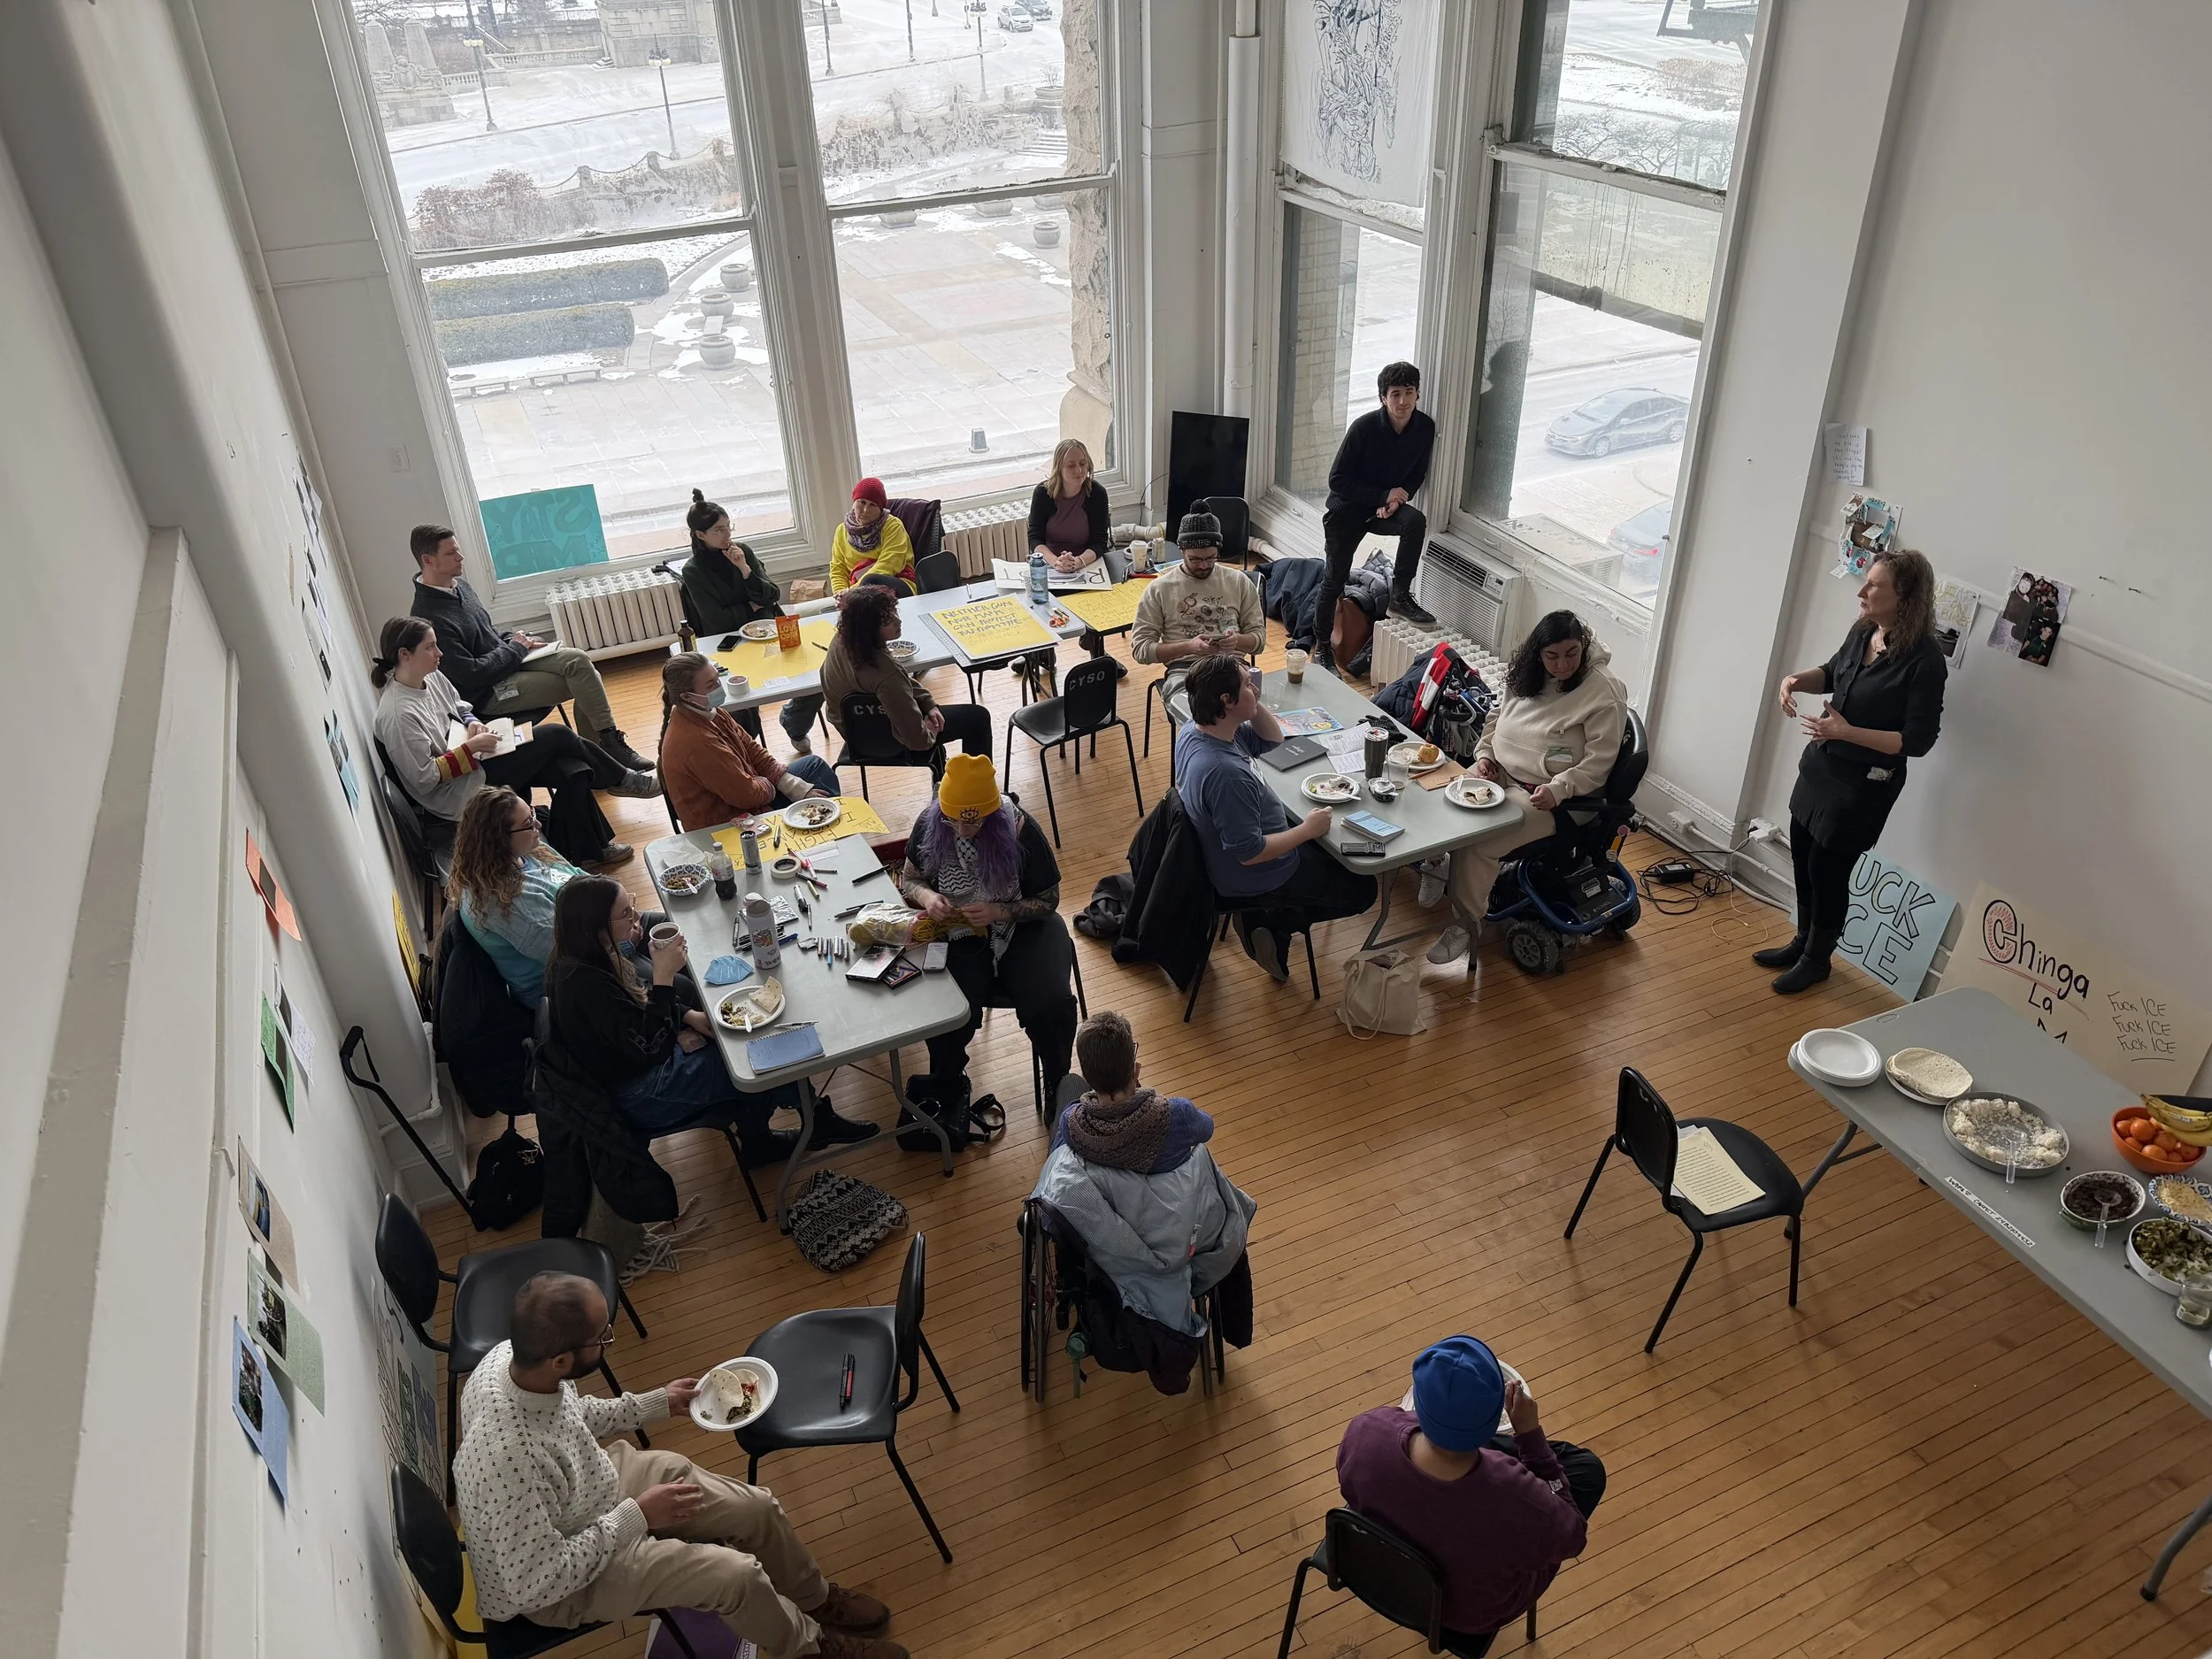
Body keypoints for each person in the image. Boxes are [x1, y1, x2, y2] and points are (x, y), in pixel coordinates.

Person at [451, 1271, 908, 1659]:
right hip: (563, 1581)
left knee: (756, 1508)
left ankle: (816, 1600)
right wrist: (639, 1516)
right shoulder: (510, 1457)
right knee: (736, 1577)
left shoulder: (512, 1360)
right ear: (562, 1359)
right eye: (603, 1336)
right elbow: (539, 1582)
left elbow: (572, 1414)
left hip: (585, 1496)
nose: (610, 1339)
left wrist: (655, 1403)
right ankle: (812, 1648)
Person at [542, 876, 874, 1151]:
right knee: (759, 1052)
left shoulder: (581, 953)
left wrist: (687, 1016)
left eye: (632, 906)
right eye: (626, 913)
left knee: (745, 1032)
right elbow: (652, 1046)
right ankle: (793, 1129)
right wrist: (664, 977)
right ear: (596, 926)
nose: (636, 918)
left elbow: (634, 1013)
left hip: (632, 1065)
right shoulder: (585, 985)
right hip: (638, 1094)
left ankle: (778, 1129)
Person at [1336, 1336, 1605, 1657]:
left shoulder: (1368, 1429)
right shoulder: (1516, 1494)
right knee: (1586, 1471)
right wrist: (1530, 1437)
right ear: (1495, 1423)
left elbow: (1350, 1487)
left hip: (1369, 1567)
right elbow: (1572, 1539)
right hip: (1468, 1616)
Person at [1761, 548, 1946, 993]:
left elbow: (1916, 742)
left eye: (1875, 586)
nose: (1862, 592)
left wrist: (1848, 733)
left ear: (1906, 597)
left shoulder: (1925, 661)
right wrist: (1794, 681)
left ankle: (1817, 960)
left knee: (1829, 870)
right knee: (1804, 857)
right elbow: (1832, 672)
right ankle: (1801, 940)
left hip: (1863, 785)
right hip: (1821, 768)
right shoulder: (1865, 630)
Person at [1031, 1011, 1254, 1348]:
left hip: (1115, 1253)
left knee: (1066, 1087)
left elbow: (1069, 1153)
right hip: (1184, 1240)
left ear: (1092, 1083)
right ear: (1135, 1068)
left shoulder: (1073, 1127)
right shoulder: (1175, 1116)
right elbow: (1207, 1127)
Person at [1426, 611, 1628, 964]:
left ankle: (1465, 924)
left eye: (1571, 653)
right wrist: (1486, 754)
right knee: (1441, 794)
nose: (1563, 664)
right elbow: (1496, 716)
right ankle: (1437, 865)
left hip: (1556, 798)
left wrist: (1560, 789)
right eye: (1552, 656)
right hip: (1504, 770)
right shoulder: (1526, 671)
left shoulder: (1602, 691)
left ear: (1583, 646)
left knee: (1481, 841)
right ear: (1538, 653)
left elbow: (1599, 764)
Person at [372, 618, 652, 870]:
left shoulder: (429, 675)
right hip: (461, 791)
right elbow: (424, 779)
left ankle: (588, 852)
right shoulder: (398, 715)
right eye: (430, 647)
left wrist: (471, 723)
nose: (439, 653)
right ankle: (621, 779)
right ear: (405, 655)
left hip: (476, 762)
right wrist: (470, 748)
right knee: (558, 735)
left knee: (575, 769)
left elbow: (458, 705)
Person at [1172, 652, 1376, 982]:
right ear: (1226, 701)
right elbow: (1250, 853)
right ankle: (1269, 920)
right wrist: (1308, 831)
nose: (1256, 689)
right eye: (1248, 686)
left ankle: (1267, 915)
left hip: (1251, 845)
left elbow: (1272, 740)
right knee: (1363, 889)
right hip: (1258, 873)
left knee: (1335, 849)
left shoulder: (1200, 731)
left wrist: (1249, 703)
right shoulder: (1226, 774)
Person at [896, 756, 1076, 1104]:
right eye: (953, 822)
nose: (963, 832)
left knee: (1051, 1003)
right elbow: (910, 878)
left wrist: (1000, 910)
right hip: (960, 930)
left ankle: (1058, 1078)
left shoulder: (1021, 829)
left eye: (973, 823)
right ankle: (948, 1084)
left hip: (1023, 928)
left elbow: (1050, 900)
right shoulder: (930, 823)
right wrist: (928, 896)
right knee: (949, 1011)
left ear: (991, 814)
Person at [409, 525, 652, 770]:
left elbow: (488, 634)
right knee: (586, 681)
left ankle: (604, 751)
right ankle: (605, 756)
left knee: (578, 661)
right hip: (488, 692)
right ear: (428, 560)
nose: (460, 557)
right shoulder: (429, 616)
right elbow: (471, 675)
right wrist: (515, 648)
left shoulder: (461, 587)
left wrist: (519, 639)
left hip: (508, 663)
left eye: (458, 550)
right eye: (451, 553)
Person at [680, 489, 825, 755]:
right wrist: (752, 605)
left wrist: (745, 570)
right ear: (700, 535)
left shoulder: (742, 551)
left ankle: (794, 721)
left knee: (819, 673)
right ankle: (748, 748)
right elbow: (717, 619)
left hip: (770, 629)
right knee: (742, 695)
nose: (727, 535)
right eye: (718, 530)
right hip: (731, 643)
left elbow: (772, 595)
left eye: (728, 527)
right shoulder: (693, 570)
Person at [1314, 361, 1438, 671]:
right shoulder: (1364, 428)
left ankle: (1400, 595)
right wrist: (1381, 496)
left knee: (1414, 522)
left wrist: (1397, 500)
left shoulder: (1424, 427)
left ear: (1418, 394)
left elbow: (1417, 474)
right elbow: (1337, 480)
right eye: (1395, 394)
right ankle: (1322, 647)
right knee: (1334, 580)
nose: (1403, 401)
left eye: (1409, 393)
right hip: (1347, 510)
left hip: (1384, 509)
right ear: (1384, 398)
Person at [658, 653, 841, 831]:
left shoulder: (708, 712)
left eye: (717, 679)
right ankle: (833, 835)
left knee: (813, 766)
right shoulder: (697, 742)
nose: (718, 687)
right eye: (710, 684)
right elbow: (747, 796)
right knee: (819, 787)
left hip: (747, 792)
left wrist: (790, 784)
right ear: (687, 696)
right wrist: (770, 782)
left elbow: (752, 749)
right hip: (729, 823)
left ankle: (830, 829)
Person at [819, 583, 991, 764]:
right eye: (887, 621)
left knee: (933, 712)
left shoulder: (844, 638)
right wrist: (930, 729)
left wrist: (928, 703)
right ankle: (978, 786)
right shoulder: (886, 672)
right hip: (889, 742)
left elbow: (900, 683)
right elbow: (918, 740)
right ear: (868, 629)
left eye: (894, 613)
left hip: (854, 731)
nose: (898, 621)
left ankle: (943, 781)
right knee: (977, 718)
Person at [1129, 510, 1265, 733]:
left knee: (1253, 722)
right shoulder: (1160, 589)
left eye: (1211, 558)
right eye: (1195, 559)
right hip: (1186, 673)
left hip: (1234, 670)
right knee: (1202, 724)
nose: (1203, 566)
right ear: (1182, 551)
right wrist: (1188, 646)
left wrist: (1237, 641)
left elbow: (1259, 641)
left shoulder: (1238, 581)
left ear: (1218, 551)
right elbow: (1141, 650)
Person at [829, 478, 916, 594]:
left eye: (873, 505)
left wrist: (852, 592)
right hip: (856, 592)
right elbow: (838, 569)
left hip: (896, 582)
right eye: (862, 502)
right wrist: (840, 593)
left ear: (880, 509)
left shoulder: (892, 526)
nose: (865, 510)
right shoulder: (841, 530)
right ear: (854, 503)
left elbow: (890, 564)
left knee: (871, 580)